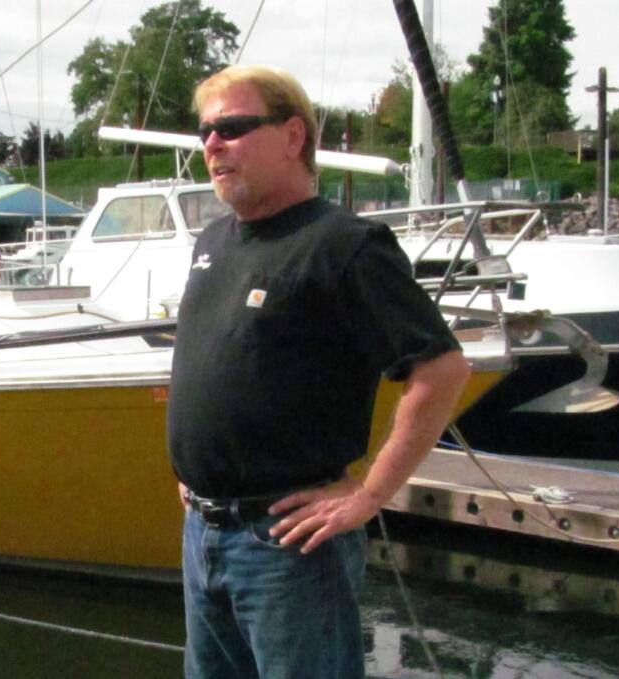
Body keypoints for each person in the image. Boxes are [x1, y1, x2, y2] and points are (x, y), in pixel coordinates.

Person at [167, 65, 471, 678]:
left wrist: (370, 493)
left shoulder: (345, 245)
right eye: (205, 132)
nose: (212, 145)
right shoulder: (212, 243)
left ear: (293, 136)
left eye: (232, 127)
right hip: (203, 534)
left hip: (287, 544)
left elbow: (441, 369)